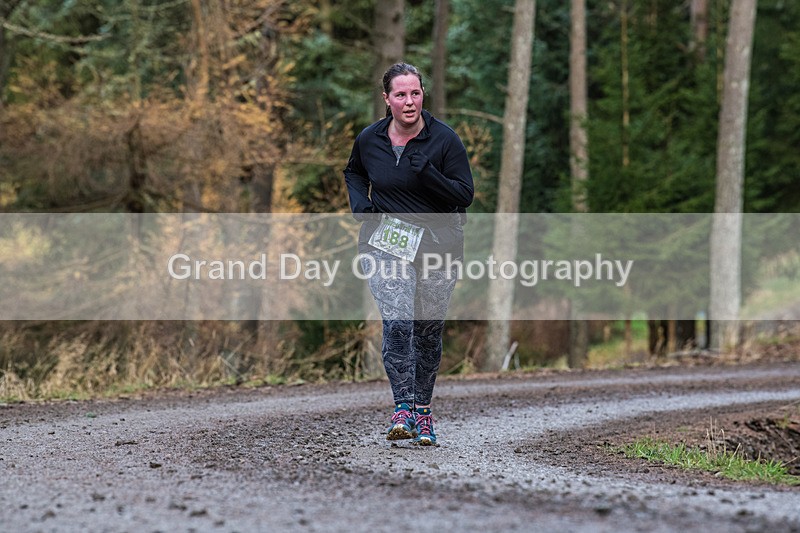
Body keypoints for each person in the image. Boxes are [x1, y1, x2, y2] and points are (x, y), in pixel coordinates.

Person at [343, 62, 474, 446]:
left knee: (427, 330)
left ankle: (422, 411)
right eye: (400, 94)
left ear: (422, 95)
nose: (409, 101)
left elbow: (464, 195)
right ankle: (402, 408)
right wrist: (359, 205)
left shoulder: (444, 140)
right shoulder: (370, 139)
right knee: (398, 320)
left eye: (415, 93)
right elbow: (353, 172)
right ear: (387, 99)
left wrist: (429, 174)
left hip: (439, 242)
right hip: (388, 240)